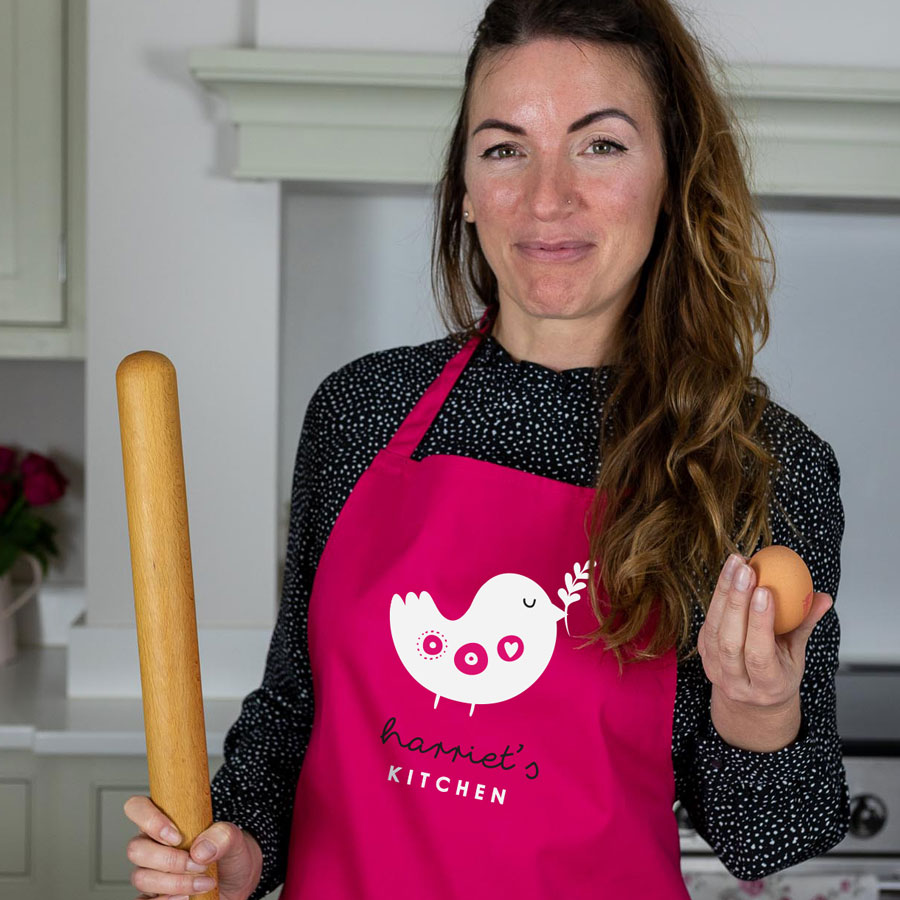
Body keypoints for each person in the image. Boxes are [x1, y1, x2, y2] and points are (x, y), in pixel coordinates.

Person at [123, 0, 851, 897]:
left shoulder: (757, 470)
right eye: (506, 147)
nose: (548, 198)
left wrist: (761, 712)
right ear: (465, 187)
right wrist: (237, 853)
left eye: (602, 145)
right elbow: (291, 715)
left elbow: (769, 841)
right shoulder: (362, 412)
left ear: (673, 175)